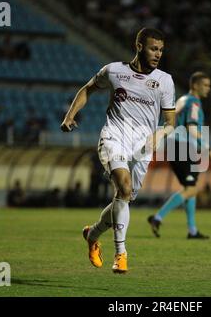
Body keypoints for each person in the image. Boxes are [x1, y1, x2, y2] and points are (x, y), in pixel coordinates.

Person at [60, 27, 176, 273]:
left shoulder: (165, 81)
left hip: (143, 147)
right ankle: (121, 254)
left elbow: (170, 123)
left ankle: (92, 234)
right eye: (154, 48)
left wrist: (160, 133)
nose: (158, 54)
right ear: (139, 46)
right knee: (122, 187)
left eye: (161, 50)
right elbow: (88, 89)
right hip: (114, 137)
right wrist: (70, 115)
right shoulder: (114, 71)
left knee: (123, 199)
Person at [147, 72, 211, 239]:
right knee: (192, 188)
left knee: (190, 189)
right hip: (183, 147)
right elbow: (192, 128)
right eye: (205, 85)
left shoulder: (182, 100)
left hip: (177, 145)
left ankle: (192, 230)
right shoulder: (194, 103)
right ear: (195, 85)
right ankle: (157, 218)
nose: (208, 88)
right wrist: (208, 148)